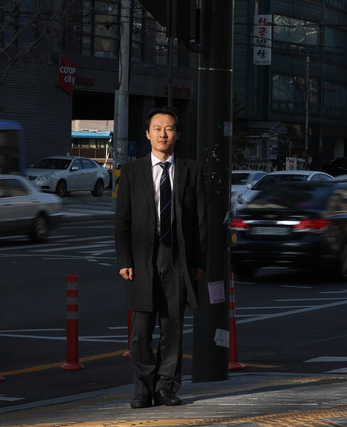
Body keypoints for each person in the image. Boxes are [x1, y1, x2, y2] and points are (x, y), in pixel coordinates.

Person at [114, 106, 208, 409]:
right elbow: (122, 221)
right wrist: (124, 260)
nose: (163, 134)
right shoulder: (131, 172)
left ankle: (167, 386)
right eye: (157, 128)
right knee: (140, 332)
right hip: (142, 257)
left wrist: (198, 262)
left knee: (173, 328)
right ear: (147, 134)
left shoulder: (191, 170)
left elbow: (201, 221)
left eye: (169, 128)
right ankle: (144, 388)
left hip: (177, 258)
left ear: (177, 134)